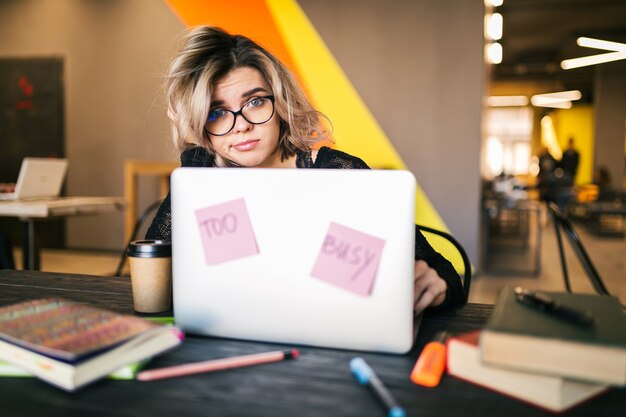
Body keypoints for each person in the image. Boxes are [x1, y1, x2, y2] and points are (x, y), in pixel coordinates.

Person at [145, 26, 465, 314]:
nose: (240, 126)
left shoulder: (340, 173)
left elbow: (446, 275)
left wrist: (436, 286)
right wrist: (195, 143)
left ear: (280, 102)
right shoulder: (204, 178)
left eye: (255, 102)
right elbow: (155, 272)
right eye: (216, 112)